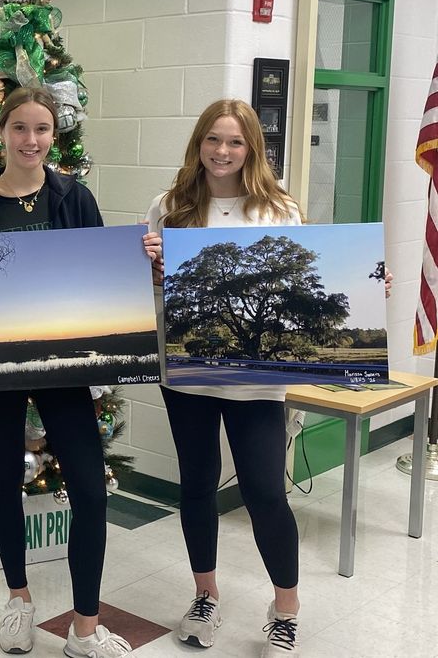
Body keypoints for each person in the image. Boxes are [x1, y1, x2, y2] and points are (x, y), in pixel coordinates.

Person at [0, 87, 154, 658]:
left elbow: (102, 277)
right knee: (4, 476)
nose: (30, 140)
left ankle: (84, 628)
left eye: (41, 130)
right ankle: (18, 601)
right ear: (1, 133)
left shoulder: (75, 198)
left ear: (52, 137)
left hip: (64, 367)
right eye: (19, 128)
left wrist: (140, 259)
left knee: (89, 487)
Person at [146, 98, 305, 656]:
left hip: (257, 381)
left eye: (235, 141)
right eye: (213, 139)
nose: (222, 151)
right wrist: (152, 271)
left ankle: (285, 605)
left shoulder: (279, 210)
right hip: (187, 374)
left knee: (265, 492)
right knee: (196, 485)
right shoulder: (169, 207)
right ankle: (205, 594)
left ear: (252, 148)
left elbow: (298, 287)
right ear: (198, 144)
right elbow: (154, 297)